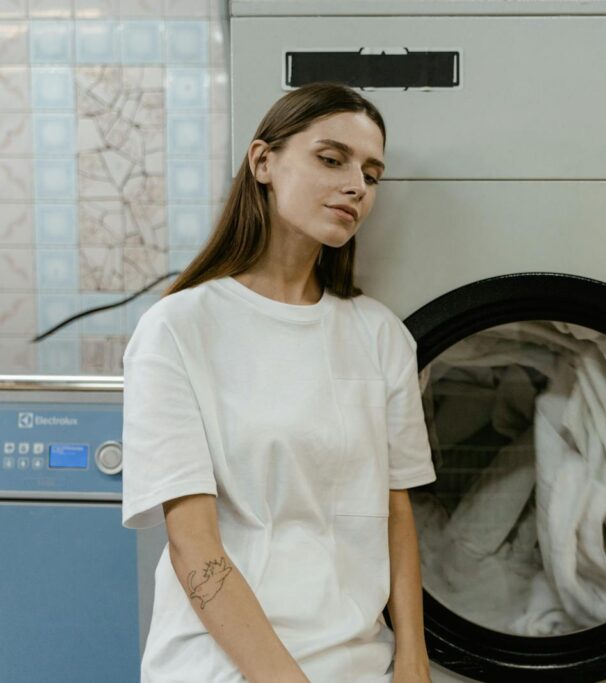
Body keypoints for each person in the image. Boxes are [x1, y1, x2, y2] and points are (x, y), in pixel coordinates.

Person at [121, 82, 436, 683]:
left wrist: (413, 666)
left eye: (372, 174)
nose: (356, 187)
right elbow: (194, 544)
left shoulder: (380, 335)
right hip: (222, 664)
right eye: (331, 159)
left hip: (359, 661)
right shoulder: (179, 329)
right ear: (262, 161)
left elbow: (395, 513)